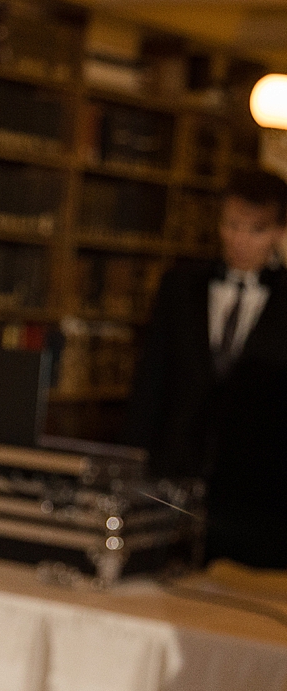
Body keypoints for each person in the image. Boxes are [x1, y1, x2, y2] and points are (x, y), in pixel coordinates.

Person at [127, 168, 287, 569]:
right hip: (172, 470)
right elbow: (151, 379)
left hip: (257, 490)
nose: (240, 240)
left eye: (256, 229)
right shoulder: (180, 285)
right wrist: (133, 462)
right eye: (231, 225)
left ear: (279, 232)